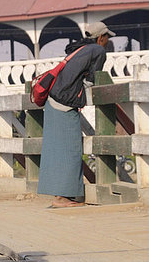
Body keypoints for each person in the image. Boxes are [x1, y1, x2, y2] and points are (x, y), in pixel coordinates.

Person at [37, 21, 115, 208]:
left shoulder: (80, 49)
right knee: (71, 150)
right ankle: (62, 198)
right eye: (107, 38)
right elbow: (93, 79)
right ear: (101, 37)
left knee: (56, 151)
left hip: (53, 99)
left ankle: (60, 196)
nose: (107, 42)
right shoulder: (97, 51)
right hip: (65, 102)